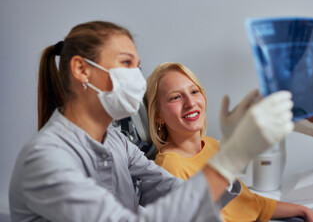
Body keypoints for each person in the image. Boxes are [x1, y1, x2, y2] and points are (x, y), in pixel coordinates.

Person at [9, 21, 294, 222]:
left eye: (137, 66)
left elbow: (171, 192)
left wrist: (230, 157)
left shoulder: (117, 143)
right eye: (126, 64)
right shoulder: (45, 159)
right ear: (82, 70)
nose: (137, 78)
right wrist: (232, 157)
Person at [145, 62, 313, 222]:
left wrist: (304, 211)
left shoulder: (211, 145)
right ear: (158, 115)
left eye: (194, 91)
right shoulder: (169, 168)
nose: (190, 102)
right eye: (175, 97)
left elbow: (251, 204)